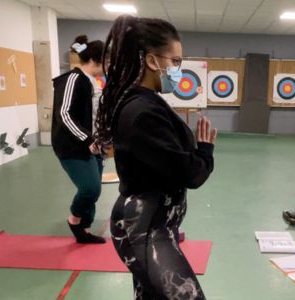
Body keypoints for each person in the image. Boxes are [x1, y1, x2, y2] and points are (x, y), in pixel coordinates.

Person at [95, 15, 217, 299]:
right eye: (175, 61)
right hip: (146, 227)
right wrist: (205, 151)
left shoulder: (145, 101)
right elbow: (190, 173)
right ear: (152, 61)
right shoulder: (143, 111)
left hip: (154, 222)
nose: (178, 69)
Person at [51, 35, 106, 243]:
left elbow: (92, 115)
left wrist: (100, 139)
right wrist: (87, 139)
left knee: (95, 190)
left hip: (92, 144)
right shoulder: (72, 79)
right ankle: (74, 220)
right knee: (90, 188)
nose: (108, 65)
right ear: (94, 61)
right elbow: (64, 114)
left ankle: (84, 229)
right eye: (106, 61)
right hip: (71, 146)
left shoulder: (91, 82)